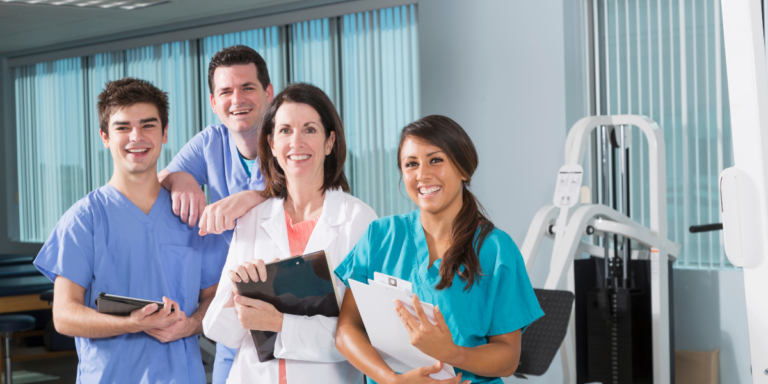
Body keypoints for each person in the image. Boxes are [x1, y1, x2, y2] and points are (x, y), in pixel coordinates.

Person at [33, 78, 227, 383]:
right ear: (105, 137)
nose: (136, 137)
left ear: (164, 133)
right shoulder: (84, 219)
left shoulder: (192, 216)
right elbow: (65, 315)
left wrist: (191, 325)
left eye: (148, 125)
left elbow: (215, 296)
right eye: (123, 127)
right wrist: (132, 323)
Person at [334, 115, 544, 384]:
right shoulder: (380, 236)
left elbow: (508, 358)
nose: (422, 174)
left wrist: (452, 353)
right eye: (411, 164)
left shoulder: (496, 249)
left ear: (463, 169)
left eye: (435, 160)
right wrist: (392, 380)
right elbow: (347, 330)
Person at [203, 83, 377, 383]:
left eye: (309, 129)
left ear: (329, 142)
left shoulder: (358, 221)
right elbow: (217, 330)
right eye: (285, 130)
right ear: (271, 144)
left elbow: (365, 333)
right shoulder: (253, 218)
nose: (296, 142)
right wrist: (238, 294)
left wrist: (281, 323)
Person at [157, 44, 273, 381]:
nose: (237, 99)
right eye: (226, 91)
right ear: (213, 102)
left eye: (247, 87)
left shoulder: (287, 138)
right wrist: (180, 178)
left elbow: (310, 191)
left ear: (268, 92)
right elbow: (161, 179)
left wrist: (252, 198)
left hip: (285, 300)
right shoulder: (211, 142)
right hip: (234, 306)